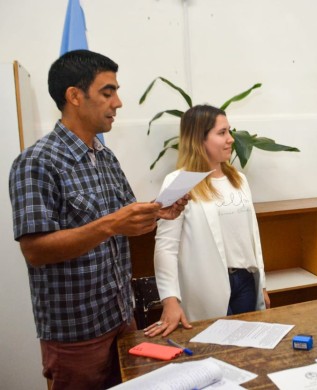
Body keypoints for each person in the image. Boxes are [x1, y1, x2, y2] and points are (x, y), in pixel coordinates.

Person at [8, 50, 188, 390]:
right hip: (76, 336)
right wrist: (112, 224)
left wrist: (156, 213)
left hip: (121, 320)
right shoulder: (36, 163)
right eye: (108, 92)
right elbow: (35, 250)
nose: (118, 102)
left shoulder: (105, 158)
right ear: (75, 96)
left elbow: (128, 223)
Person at [145, 104, 270, 338]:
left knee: (247, 351)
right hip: (207, 286)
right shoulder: (179, 182)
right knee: (214, 349)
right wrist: (170, 301)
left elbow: (252, 235)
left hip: (245, 282)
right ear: (199, 139)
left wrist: (261, 284)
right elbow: (165, 247)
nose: (231, 139)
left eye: (229, 131)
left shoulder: (238, 179)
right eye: (222, 133)